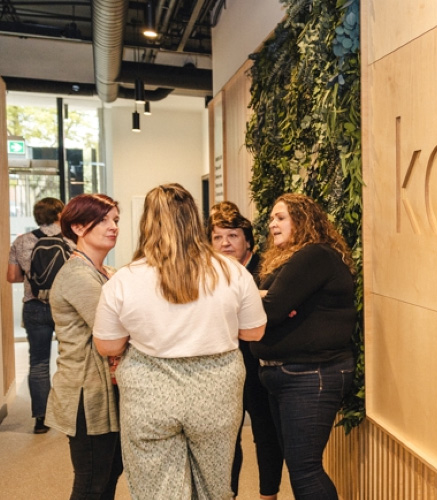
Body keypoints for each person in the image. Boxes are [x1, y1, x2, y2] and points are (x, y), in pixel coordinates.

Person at [92, 183, 267, 499]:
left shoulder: (124, 280)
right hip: (216, 392)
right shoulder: (233, 273)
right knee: (214, 487)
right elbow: (253, 332)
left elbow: (108, 346)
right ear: (195, 221)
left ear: (147, 223)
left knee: (158, 489)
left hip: (150, 394)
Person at [251, 193, 356, 499]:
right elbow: (268, 305)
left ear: (303, 220)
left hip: (311, 375)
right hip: (285, 375)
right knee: (300, 470)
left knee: (305, 470)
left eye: (280, 218)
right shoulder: (289, 260)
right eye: (271, 218)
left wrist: (266, 302)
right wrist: (267, 302)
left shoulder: (314, 256)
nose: (272, 224)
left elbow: (269, 310)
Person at [45, 194, 124, 499]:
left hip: (104, 389)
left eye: (115, 219)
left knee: (108, 474)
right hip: (85, 394)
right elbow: (114, 331)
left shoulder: (106, 271)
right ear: (78, 226)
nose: (112, 226)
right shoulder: (78, 275)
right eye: (103, 219)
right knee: (92, 480)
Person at [208, 203, 284, 500]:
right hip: (221, 367)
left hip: (258, 364)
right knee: (226, 437)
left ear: (248, 240)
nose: (225, 243)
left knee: (266, 434)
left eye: (233, 235)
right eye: (217, 237)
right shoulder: (208, 272)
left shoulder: (267, 269)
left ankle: (269, 495)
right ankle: (229, 494)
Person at [6, 196, 66, 434]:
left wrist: (33, 278)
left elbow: (12, 277)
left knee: (38, 362)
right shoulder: (71, 240)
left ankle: (41, 419)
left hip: (34, 306)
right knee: (71, 360)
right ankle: (69, 413)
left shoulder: (21, 241)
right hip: (65, 307)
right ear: (60, 215)